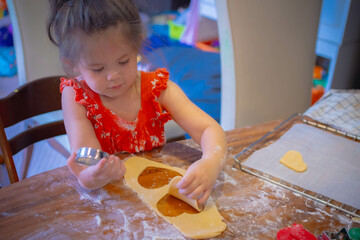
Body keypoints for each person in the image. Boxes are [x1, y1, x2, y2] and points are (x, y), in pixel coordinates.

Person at [47, 0, 227, 205]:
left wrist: (211, 162)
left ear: (137, 48)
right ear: (74, 65)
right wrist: (91, 175)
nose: (113, 76)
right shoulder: (76, 96)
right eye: (98, 69)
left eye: (123, 61)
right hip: (114, 203)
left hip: (155, 193)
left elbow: (208, 129)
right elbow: (86, 156)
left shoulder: (157, 88)